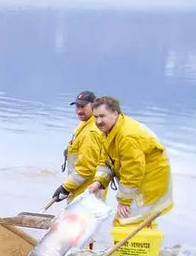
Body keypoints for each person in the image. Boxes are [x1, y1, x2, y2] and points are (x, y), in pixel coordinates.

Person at [87, 96, 174, 224]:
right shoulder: (109, 132)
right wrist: (98, 182)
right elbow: (106, 160)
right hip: (139, 177)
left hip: (150, 179)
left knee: (126, 220)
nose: (98, 121)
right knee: (135, 220)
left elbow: (132, 171)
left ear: (115, 113)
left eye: (102, 116)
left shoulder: (127, 136)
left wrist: (124, 201)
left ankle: (139, 242)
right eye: (95, 117)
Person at [49, 90, 106, 205]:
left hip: (86, 195)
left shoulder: (91, 132)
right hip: (79, 191)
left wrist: (65, 188)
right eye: (77, 107)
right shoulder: (84, 125)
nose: (79, 111)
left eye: (83, 107)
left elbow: (86, 168)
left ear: (94, 106)